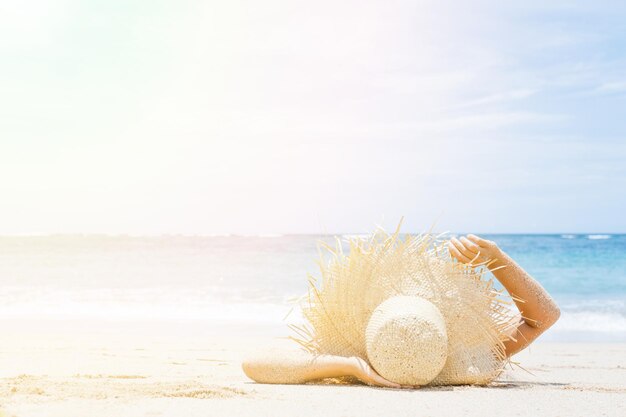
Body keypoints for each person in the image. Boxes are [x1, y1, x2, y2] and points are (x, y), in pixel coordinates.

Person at [242, 234, 561, 388]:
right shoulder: (462, 356)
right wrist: (497, 260)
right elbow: (543, 316)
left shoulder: (370, 352)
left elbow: (254, 363)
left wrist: (349, 365)